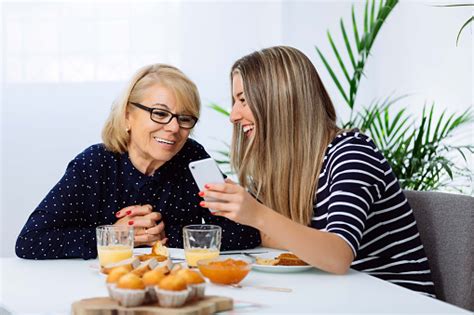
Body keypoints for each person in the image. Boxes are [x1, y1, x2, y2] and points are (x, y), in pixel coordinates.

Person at [199, 46, 435, 297]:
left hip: (397, 302)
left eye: (243, 100)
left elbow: (337, 256)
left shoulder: (352, 153)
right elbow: (275, 237)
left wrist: (257, 214)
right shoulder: (285, 166)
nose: (233, 115)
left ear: (279, 98)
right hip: (337, 296)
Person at [15, 64, 260, 260]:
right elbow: (31, 241)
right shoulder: (93, 164)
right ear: (127, 116)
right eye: (160, 113)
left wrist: (163, 235)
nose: (174, 128)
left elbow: (247, 232)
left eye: (185, 119)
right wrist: (116, 235)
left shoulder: (193, 158)